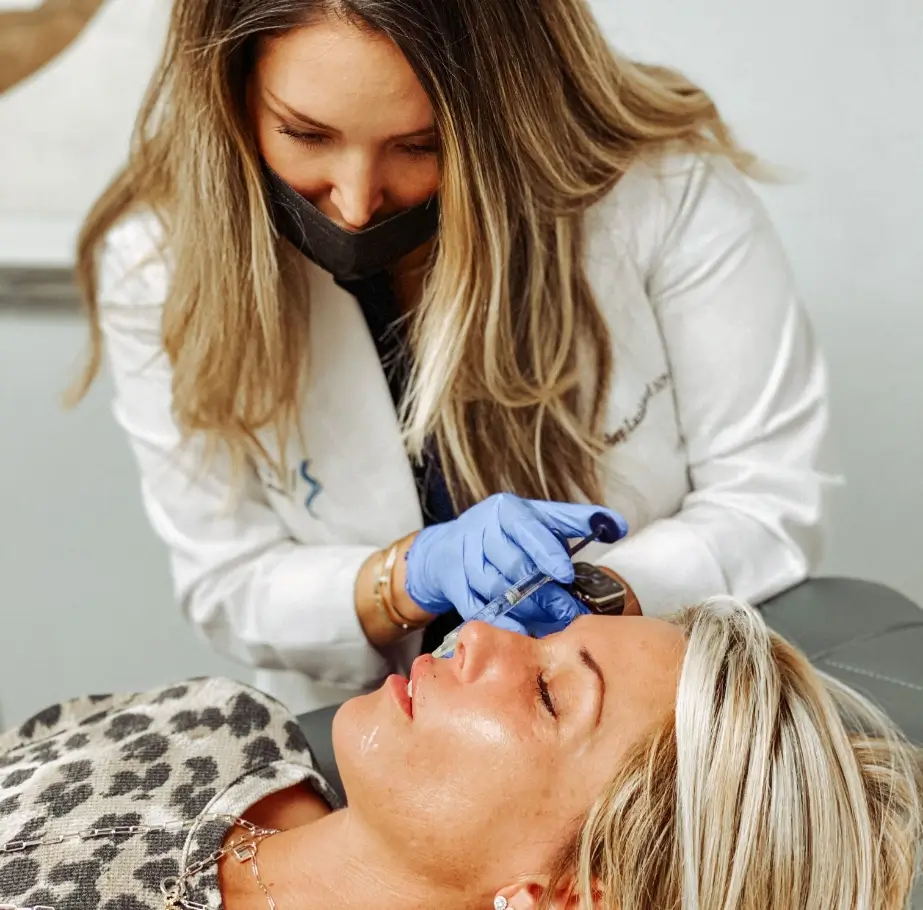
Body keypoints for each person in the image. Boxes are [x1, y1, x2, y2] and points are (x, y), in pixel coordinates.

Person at [70, 0, 830, 714]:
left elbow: (766, 508)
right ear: (232, 94)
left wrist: (599, 591)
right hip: (361, 728)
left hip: (629, 723)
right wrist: (407, 577)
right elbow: (229, 580)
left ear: (503, 116)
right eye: (306, 134)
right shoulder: (158, 262)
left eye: (418, 145)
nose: (357, 200)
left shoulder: (660, 198)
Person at [1, 599, 919, 910]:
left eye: (551, 693)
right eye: (545, 636)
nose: (478, 634)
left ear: (564, 895)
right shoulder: (216, 725)